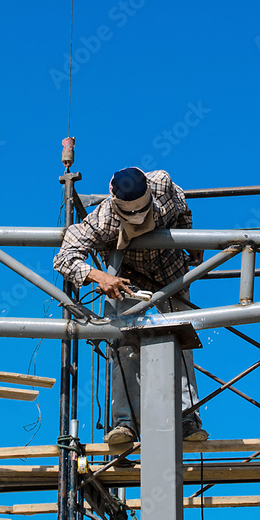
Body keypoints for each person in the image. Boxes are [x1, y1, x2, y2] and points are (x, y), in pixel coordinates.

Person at [53, 166, 208, 446]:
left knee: (180, 339)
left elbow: (183, 209)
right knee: (122, 344)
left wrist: (190, 238)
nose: (138, 219)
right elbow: (64, 258)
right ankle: (125, 424)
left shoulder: (161, 185)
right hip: (126, 279)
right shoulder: (102, 219)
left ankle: (187, 418)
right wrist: (98, 276)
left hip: (170, 272)